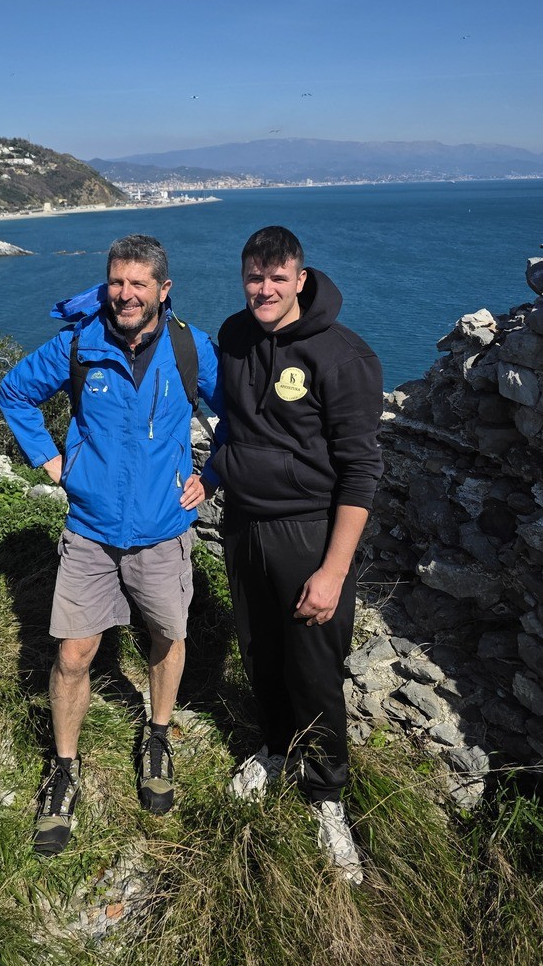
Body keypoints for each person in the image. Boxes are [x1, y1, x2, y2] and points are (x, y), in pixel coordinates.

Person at [0, 234, 222, 856]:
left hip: (163, 530)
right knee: (73, 656)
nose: (126, 294)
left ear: (163, 290)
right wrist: (51, 461)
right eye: (117, 282)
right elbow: (14, 391)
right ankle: (63, 768)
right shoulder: (80, 344)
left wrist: (213, 474)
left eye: (138, 284)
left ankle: (158, 735)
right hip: (91, 531)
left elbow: (240, 414)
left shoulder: (190, 348)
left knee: (167, 638)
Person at [212, 226, 383, 884]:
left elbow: (361, 472)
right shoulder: (233, 336)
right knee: (260, 652)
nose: (264, 289)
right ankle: (277, 749)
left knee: (314, 668)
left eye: (277, 278)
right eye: (254, 277)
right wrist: (216, 472)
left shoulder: (342, 355)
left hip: (309, 531)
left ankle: (327, 796)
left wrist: (333, 571)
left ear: (301, 279)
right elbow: (232, 422)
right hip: (243, 524)